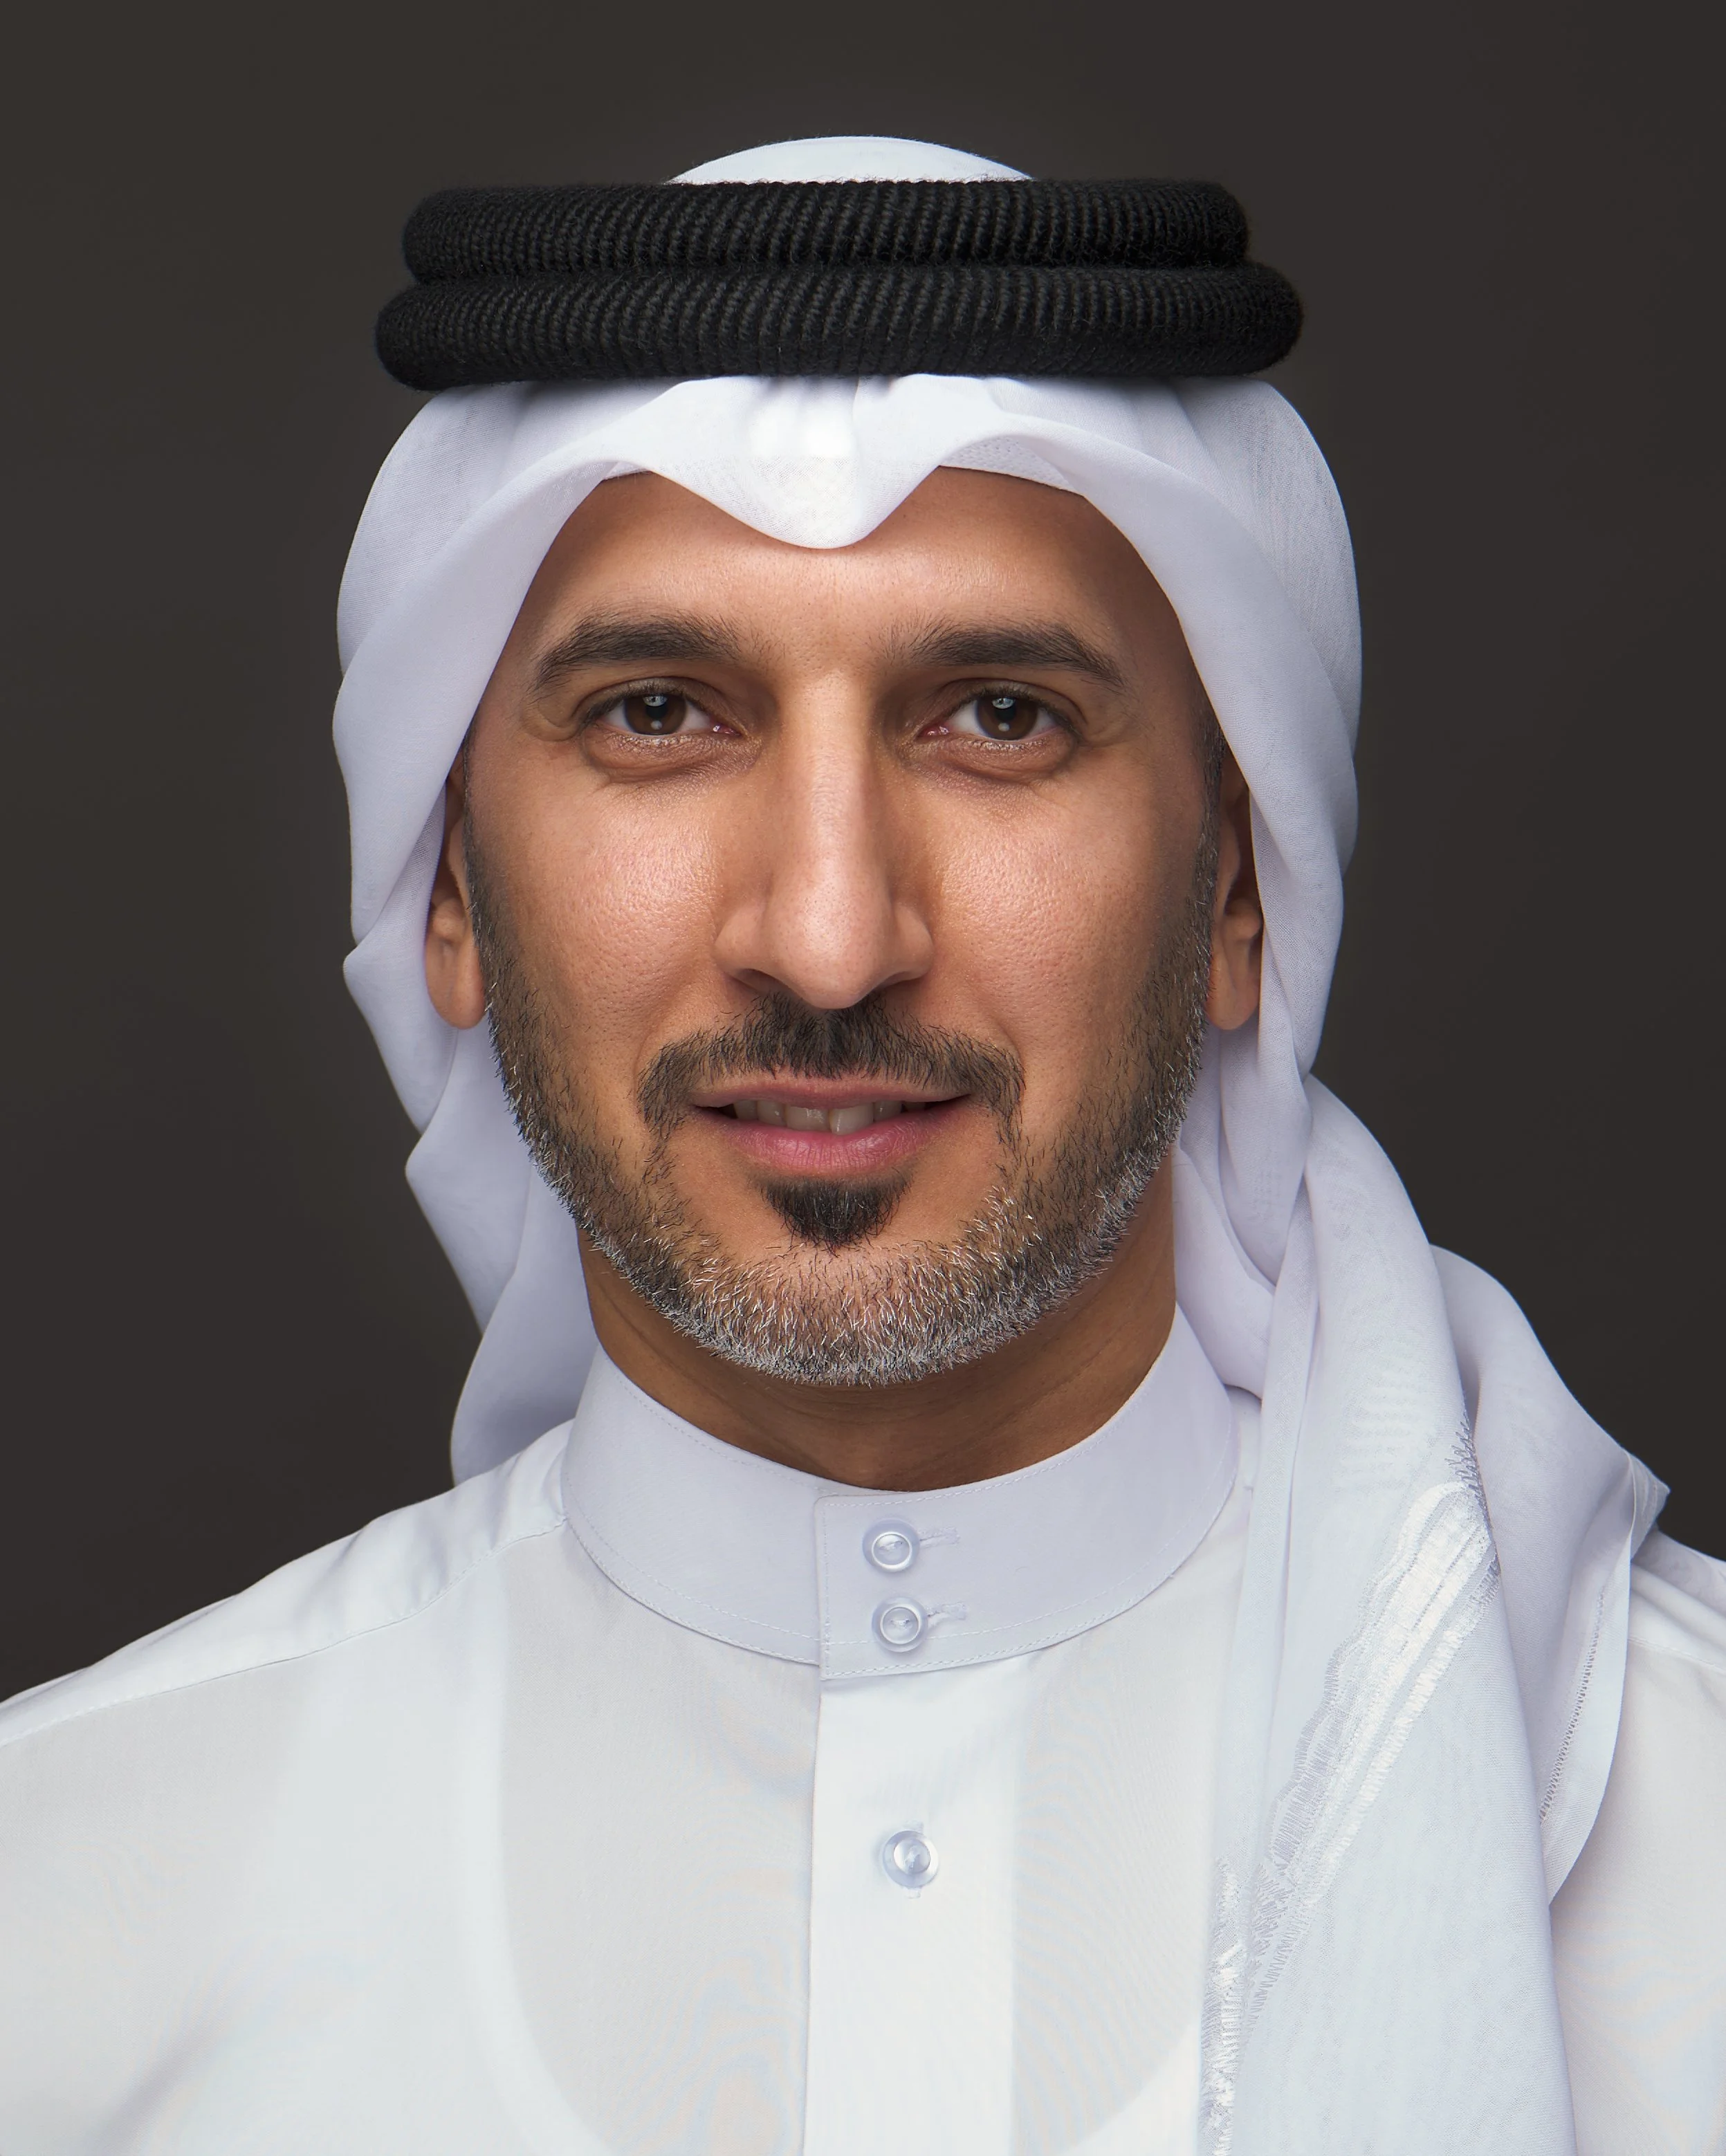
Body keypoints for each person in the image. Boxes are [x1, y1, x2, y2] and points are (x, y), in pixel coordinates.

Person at [0, 136, 1720, 2156]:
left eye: (997, 719)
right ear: (447, 890)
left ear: (1244, 887)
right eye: (658, 716)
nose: (828, 935)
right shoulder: (64, 1907)